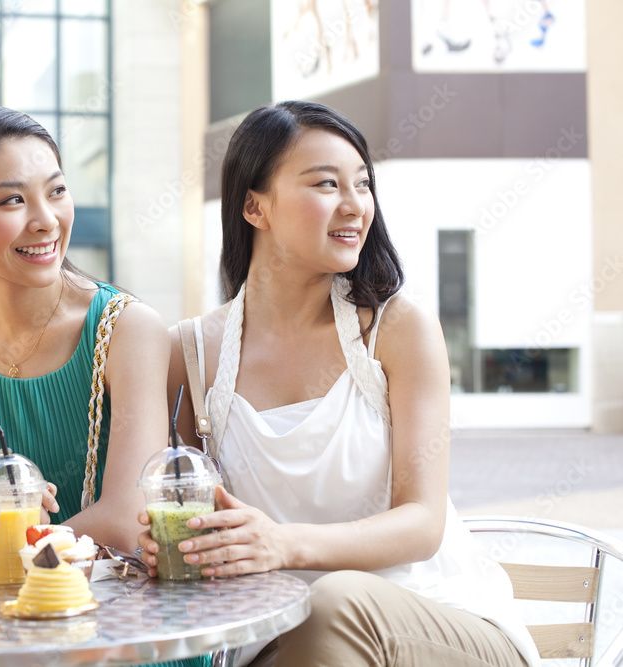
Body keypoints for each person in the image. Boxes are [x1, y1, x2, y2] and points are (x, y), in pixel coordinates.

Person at [138, 101, 541, 667]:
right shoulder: (192, 354)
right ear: (255, 205)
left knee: (330, 603)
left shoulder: (399, 330)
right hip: (283, 638)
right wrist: (178, 543)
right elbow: (181, 507)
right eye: (327, 184)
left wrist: (283, 543)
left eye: (363, 184)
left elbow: (422, 523)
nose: (356, 205)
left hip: (435, 622)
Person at [0, 106, 171, 553]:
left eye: (56, 191)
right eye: (13, 200)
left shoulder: (127, 331)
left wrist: (9, 536)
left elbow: (128, 519)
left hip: (114, 612)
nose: (46, 219)